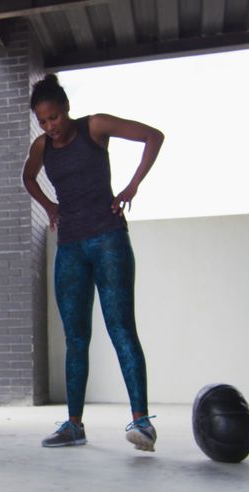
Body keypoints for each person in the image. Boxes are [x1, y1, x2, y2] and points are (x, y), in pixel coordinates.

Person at [22, 74, 164, 452]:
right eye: (43, 121)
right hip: (70, 247)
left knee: (121, 328)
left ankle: (142, 423)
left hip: (108, 240)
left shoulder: (95, 127)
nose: (50, 126)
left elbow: (154, 136)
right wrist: (50, 206)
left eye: (54, 117)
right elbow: (27, 177)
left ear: (66, 108)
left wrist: (132, 186)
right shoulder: (42, 147)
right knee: (76, 338)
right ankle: (73, 425)